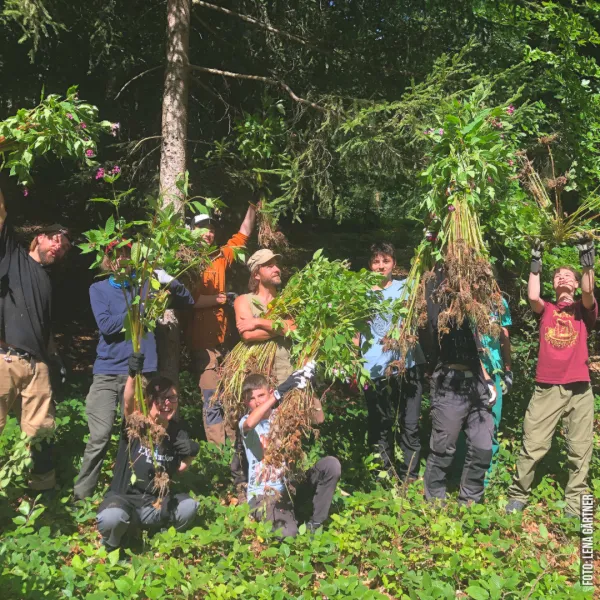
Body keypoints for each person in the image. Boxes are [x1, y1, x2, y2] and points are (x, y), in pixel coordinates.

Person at [73, 245, 195, 500]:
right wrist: (140, 308)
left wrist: (166, 278)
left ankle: (142, 491)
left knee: (141, 434)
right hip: (108, 371)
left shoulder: (148, 286)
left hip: (143, 374)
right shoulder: (99, 289)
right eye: (116, 255)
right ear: (107, 260)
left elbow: (187, 300)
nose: (123, 259)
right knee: (100, 435)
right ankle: (82, 496)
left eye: (128, 254)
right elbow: (106, 326)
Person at [506, 236, 597, 518]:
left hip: (580, 389)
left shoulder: (583, 310)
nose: (562, 278)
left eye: (567, 275)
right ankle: (518, 495)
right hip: (547, 387)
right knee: (533, 445)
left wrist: (587, 266)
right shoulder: (547, 309)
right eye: (558, 275)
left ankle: (575, 507)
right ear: (553, 284)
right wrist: (536, 262)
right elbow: (532, 296)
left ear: (575, 282)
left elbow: (589, 294)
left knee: (580, 450)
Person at [0, 185, 72, 494]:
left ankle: (42, 497)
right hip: (5, 358)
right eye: (56, 238)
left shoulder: (48, 279)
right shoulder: (13, 258)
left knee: (42, 433)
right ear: (39, 236)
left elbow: (43, 326)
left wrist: (54, 359)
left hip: (38, 366)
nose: (60, 246)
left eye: (65, 246)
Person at [96, 353, 199, 551]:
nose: (167, 403)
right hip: (126, 502)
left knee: (189, 506)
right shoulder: (137, 425)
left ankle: (162, 539)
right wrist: (132, 375)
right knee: (112, 517)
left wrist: (192, 452)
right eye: (161, 398)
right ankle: (114, 544)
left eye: (173, 398)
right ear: (149, 400)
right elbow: (127, 403)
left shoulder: (177, 432)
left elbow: (180, 468)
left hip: (158, 504)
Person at [421, 264, 497, 505]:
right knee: (444, 449)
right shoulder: (438, 311)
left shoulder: (472, 312)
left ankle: (470, 502)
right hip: (449, 383)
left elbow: (476, 349)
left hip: (475, 383)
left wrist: (486, 379)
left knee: (483, 446)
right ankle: (434, 502)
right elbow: (430, 315)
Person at [240, 364, 341, 537]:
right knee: (288, 533)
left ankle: (314, 525)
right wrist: (279, 393)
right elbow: (250, 424)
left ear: (269, 392)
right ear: (245, 402)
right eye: (251, 398)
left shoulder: (284, 415)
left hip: (290, 487)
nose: (257, 401)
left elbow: (318, 419)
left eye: (262, 395)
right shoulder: (245, 422)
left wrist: (310, 388)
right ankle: (287, 520)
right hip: (264, 496)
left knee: (331, 465)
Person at [189, 204, 256, 446]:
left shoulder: (218, 258)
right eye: (202, 229)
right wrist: (219, 299)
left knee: (229, 395)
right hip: (202, 342)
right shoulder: (184, 260)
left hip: (224, 341)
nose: (208, 233)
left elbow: (242, 236)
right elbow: (187, 300)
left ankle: (235, 447)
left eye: (210, 229)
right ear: (191, 231)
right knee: (211, 397)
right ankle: (217, 451)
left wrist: (253, 206)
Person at [230, 249, 296, 492]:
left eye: (277, 264)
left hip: (286, 372)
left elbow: (295, 328)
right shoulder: (243, 300)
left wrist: (259, 321)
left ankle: (287, 481)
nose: (277, 269)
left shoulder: (289, 300)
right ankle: (247, 483)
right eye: (270, 265)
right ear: (257, 273)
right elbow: (246, 335)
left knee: (287, 425)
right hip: (256, 374)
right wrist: (281, 327)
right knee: (253, 427)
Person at [361, 242, 426, 482]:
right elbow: (356, 330)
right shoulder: (361, 292)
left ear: (393, 264)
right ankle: (383, 475)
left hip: (407, 365)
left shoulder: (406, 288)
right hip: (374, 367)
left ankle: (409, 475)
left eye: (385, 261)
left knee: (410, 423)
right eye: (376, 261)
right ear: (370, 265)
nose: (380, 266)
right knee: (380, 423)